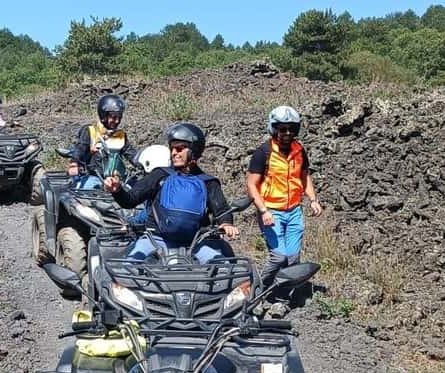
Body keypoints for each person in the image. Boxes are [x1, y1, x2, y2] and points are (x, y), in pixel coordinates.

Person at [103, 123, 239, 263]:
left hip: (196, 243)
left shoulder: (208, 182)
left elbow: (222, 210)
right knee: (128, 267)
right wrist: (117, 190)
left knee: (224, 269)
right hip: (156, 240)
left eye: (180, 149)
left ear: (195, 151)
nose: (174, 153)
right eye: (172, 148)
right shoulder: (160, 175)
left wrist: (226, 223)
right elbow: (130, 200)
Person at [247, 105, 323, 283]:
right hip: (272, 211)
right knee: (278, 257)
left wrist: (313, 200)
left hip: (294, 211)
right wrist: (264, 211)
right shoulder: (263, 153)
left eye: (292, 129)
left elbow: (304, 177)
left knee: (293, 257)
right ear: (274, 129)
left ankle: (284, 292)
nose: (287, 133)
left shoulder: (299, 151)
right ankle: (260, 288)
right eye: (282, 129)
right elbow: (251, 185)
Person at [67, 94, 138, 190]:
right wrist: (74, 164)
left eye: (119, 117)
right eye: (113, 117)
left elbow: (132, 154)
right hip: (94, 177)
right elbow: (80, 148)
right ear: (103, 116)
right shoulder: (90, 131)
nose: (117, 121)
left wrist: (144, 163)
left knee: (138, 187)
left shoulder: (121, 135)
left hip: (116, 180)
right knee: (91, 187)